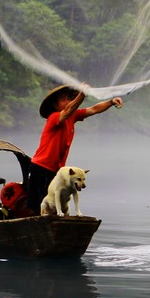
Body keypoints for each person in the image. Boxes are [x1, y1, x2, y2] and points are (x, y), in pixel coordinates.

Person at [25, 84, 123, 214]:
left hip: (56, 170)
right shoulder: (54, 117)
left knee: (55, 203)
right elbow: (67, 111)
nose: (67, 102)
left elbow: (93, 109)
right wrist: (81, 95)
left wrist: (111, 102)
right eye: (62, 100)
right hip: (41, 168)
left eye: (68, 99)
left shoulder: (73, 116)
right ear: (55, 105)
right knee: (39, 205)